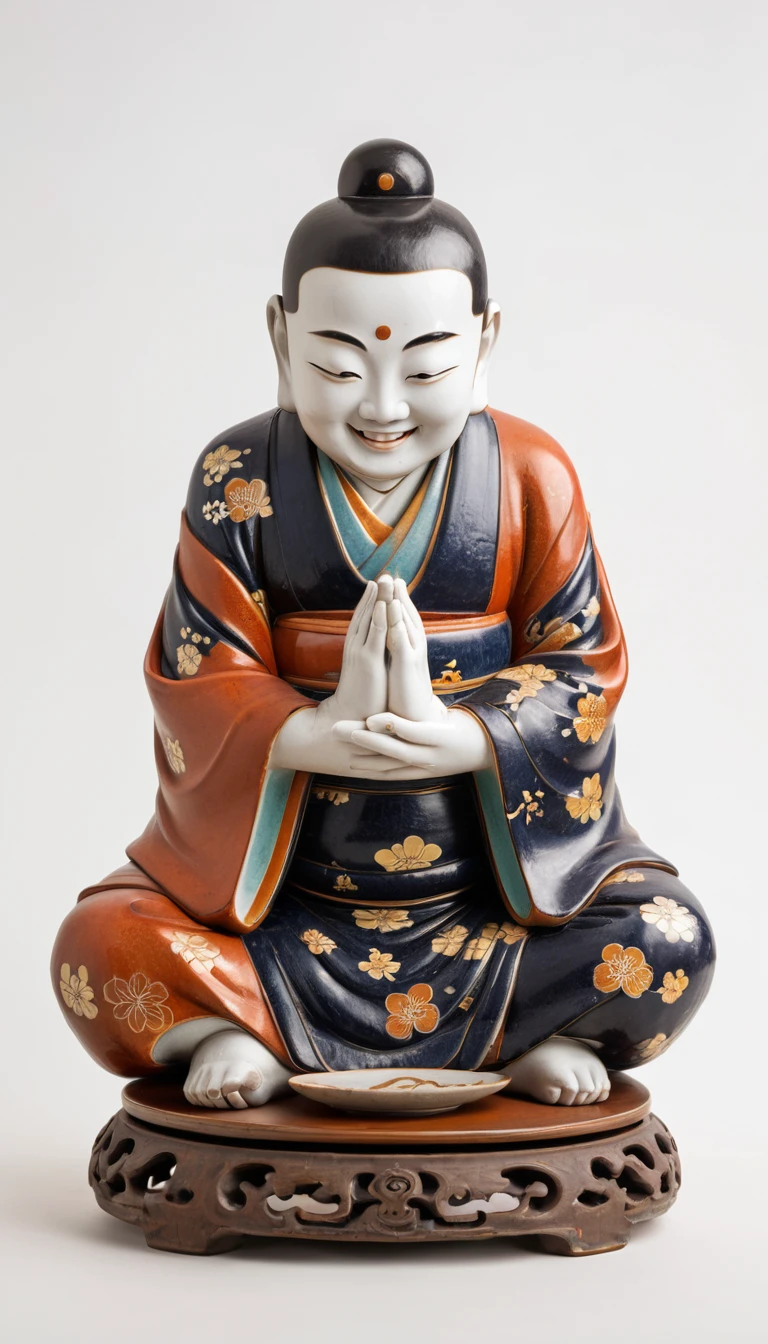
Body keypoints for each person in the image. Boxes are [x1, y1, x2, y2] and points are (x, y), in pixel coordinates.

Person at [53, 139, 714, 1110]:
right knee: (100, 947)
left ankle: (529, 1023)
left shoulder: (531, 477)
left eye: (428, 363)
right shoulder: (237, 479)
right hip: (288, 910)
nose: (382, 406)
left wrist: (464, 735)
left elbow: (586, 668)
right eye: (336, 363)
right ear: (280, 341)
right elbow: (196, 669)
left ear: (485, 343)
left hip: (490, 910)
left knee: (665, 940)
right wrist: (302, 731)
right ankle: (236, 1023)